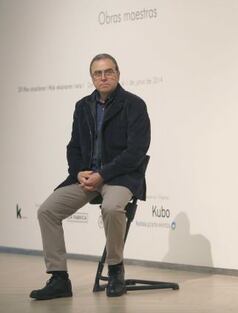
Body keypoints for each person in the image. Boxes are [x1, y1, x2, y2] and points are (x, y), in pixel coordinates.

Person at [29, 54, 151, 300]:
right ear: (92, 77)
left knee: (112, 207)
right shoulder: (83, 106)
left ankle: (115, 270)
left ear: (118, 73)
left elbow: (136, 151)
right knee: (47, 211)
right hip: (87, 178)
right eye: (98, 73)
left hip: (120, 177)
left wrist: (103, 174)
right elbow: (74, 146)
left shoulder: (134, 104)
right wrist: (78, 171)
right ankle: (59, 278)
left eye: (108, 71)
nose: (103, 77)